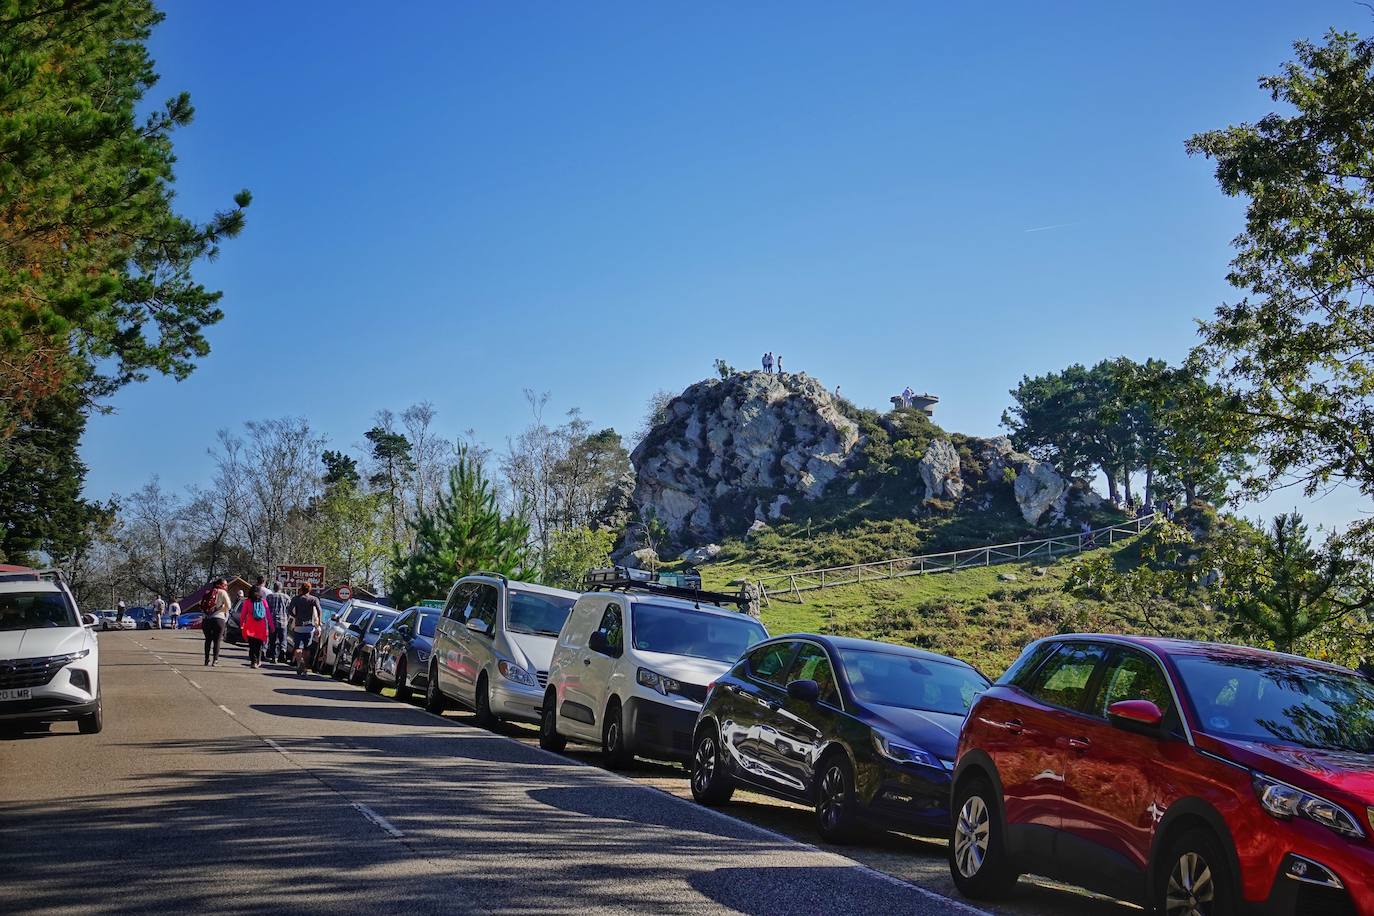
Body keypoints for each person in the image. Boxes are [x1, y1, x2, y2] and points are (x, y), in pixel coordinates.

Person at [287, 583, 323, 676]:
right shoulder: (313, 599)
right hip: (309, 627)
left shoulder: (296, 599)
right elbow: (319, 610)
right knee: (307, 649)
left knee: (298, 647)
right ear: (310, 590)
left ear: (301, 589)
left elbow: (290, 610)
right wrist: (319, 623)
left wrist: (296, 616)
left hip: (298, 626)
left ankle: (300, 662)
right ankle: (305, 667)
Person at [238, 585, 274, 669]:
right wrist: (271, 626)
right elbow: (268, 615)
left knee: (252, 646)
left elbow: (243, 615)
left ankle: (253, 662)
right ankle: (258, 661)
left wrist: (241, 624)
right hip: (261, 627)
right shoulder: (263, 601)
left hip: (250, 626)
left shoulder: (247, 602)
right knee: (259, 645)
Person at [204, 578, 230, 666]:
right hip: (219, 618)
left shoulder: (208, 592)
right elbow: (229, 606)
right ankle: (215, 660)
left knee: (208, 640)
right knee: (217, 641)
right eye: (225, 585)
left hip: (207, 619)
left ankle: (206, 659)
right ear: (222, 585)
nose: (226, 586)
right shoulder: (223, 592)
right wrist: (222, 609)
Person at [264, 580, 290, 664]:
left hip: (272, 621)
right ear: (281, 588)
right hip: (283, 621)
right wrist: (287, 618)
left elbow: (266, 609)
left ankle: (273, 657)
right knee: (283, 639)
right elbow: (289, 610)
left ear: (274, 588)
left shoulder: (269, 597)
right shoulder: (286, 597)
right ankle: (282, 651)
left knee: (272, 640)